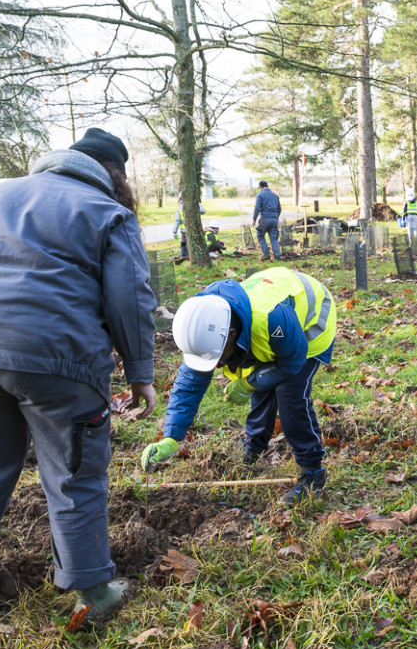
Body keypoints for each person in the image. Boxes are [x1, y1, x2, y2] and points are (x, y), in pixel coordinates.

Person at [0, 127, 157, 617]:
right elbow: (129, 299)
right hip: (58, 360)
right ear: (114, 176)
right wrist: (140, 373)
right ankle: (94, 593)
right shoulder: (108, 212)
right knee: (74, 472)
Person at [140, 267, 337, 506]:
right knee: (264, 387)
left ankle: (312, 473)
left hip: (310, 323)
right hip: (271, 326)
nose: (215, 364)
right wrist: (170, 438)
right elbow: (189, 384)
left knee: (289, 396)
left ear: (232, 334)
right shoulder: (207, 323)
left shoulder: (271, 318)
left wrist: (249, 382)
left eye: (216, 356)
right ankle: (253, 450)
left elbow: (291, 363)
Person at [253, 180, 282, 261]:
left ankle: (265, 254)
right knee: (274, 238)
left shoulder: (260, 195)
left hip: (264, 219)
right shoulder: (275, 195)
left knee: (260, 235)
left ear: (260, 187)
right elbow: (279, 209)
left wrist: (254, 220)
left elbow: (257, 208)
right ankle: (277, 256)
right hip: (274, 220)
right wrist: (275, 217)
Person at [173, 193, 205, 260]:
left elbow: (177, 220)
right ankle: (185, 256)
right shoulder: (195, 203)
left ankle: (183, 256)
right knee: (188, 243)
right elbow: (202, 211)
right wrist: (174, 231)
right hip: (191, 229)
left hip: (186, 230)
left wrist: (174, 231)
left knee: (184, 244)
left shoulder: (181, 206)